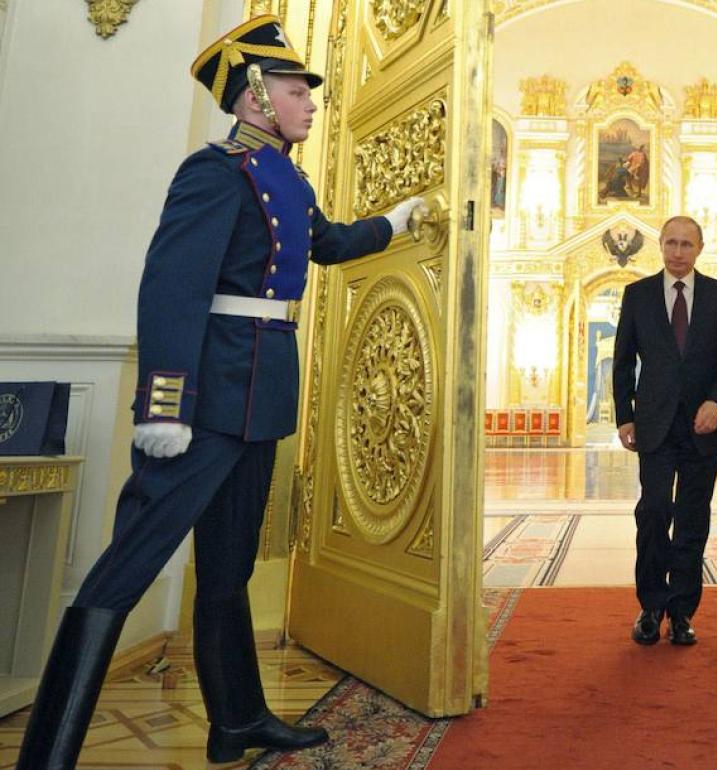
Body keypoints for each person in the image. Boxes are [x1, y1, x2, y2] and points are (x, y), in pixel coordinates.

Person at [16, 15, 425, 769]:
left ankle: (235, 720)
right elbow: (171, 291)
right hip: (204, 405)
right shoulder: (214, 172)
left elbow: (327, 244)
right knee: (129, 564)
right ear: (255, 97)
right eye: (298, 90)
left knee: (229, 568)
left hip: (260, 398)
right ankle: (47, 752)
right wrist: (163, 409)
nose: (310, 104)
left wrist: (392, 226)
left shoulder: (288, 178)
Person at [612, 216, 717, 646]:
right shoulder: (638, 295)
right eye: (671, 243)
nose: (677, 251)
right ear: (660, 246)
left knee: (692, 518)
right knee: (653, 511)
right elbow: (622, 360)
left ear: (700, 248)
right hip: (653, 424)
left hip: (702, 426)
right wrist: (623, 416)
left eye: (686, 244)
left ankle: (682, 612)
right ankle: (651, 606)